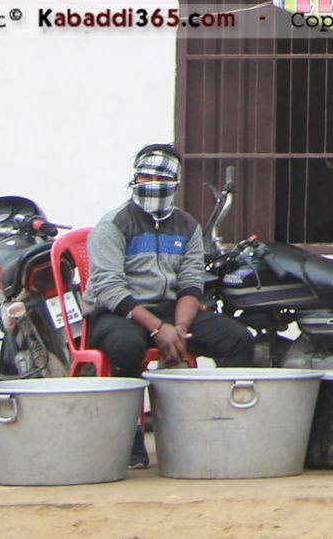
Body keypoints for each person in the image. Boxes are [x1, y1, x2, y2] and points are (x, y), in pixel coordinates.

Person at [83, 144, 256, 379]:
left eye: (162, 178)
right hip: (120, 314)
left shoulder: (188, 227)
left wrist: (180, 329)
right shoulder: (113, 225)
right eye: (146, 177)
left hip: (171, 310)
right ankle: (129, 403)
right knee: (126, 346)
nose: (153, 183)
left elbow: (191, 283)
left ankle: (223, 401)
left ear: (175, 183)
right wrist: (158, 328)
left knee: (239, 339)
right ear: (135, 179)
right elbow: (109, 288)